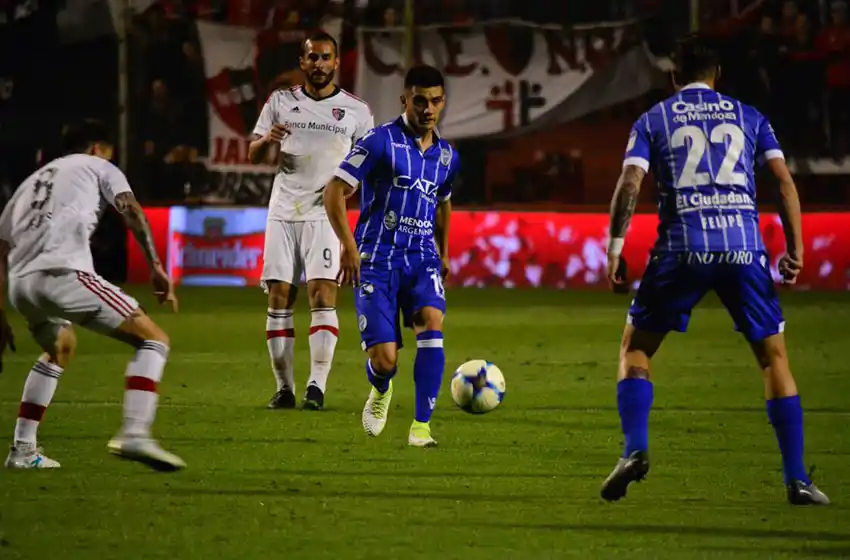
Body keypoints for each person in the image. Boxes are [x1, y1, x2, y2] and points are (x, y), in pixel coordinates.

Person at [600, 35, 828, 505]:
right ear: (717, 75)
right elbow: (784, 183)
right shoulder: (750, 117)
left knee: (636, 348)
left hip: (682, 247)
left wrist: (615, 247)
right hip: (743, 248)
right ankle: (797, 478)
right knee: (773, 359)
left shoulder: (654, 119)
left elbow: (630, 182)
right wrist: (796, 247)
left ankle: (634, 450)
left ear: (672, 74)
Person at [0, 119, 184, 471]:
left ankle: (23, 449)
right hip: (63, 273)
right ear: (98, 147)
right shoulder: (100, 165)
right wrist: (156, 266)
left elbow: (0, 247)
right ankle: (135, 433)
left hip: (20, 283)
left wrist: (0, 311)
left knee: (60, 347)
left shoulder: (31, 182)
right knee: (154, 340)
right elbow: (130, 209)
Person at [323, 64, 459, 447]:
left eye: (435, 101)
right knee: (386, 360)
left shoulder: (447, 156)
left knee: (432, 324)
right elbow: (333, 191)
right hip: (377, 260)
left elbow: (444, 201)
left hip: (421, 260)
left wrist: (444, 252)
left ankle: (421, 428)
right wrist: (348, 247)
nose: (428, 109)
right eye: (420, 101)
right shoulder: (379, 142)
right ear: (405, 100)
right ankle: (381, 388)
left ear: (443, 102)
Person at [249, 32, 374, 410]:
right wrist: (267, 140)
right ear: (302, 62)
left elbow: (368, 164)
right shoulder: (280, 101)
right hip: (283, 210)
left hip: (324, 213)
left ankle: (316, 387)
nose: (318, 64)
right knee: (279, 297)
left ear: (336, 63)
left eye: (325, 57)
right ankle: (284, 389)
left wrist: (352, 189)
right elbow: (254, 154)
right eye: (312, 58)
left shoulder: (356, 110)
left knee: (323, 294)